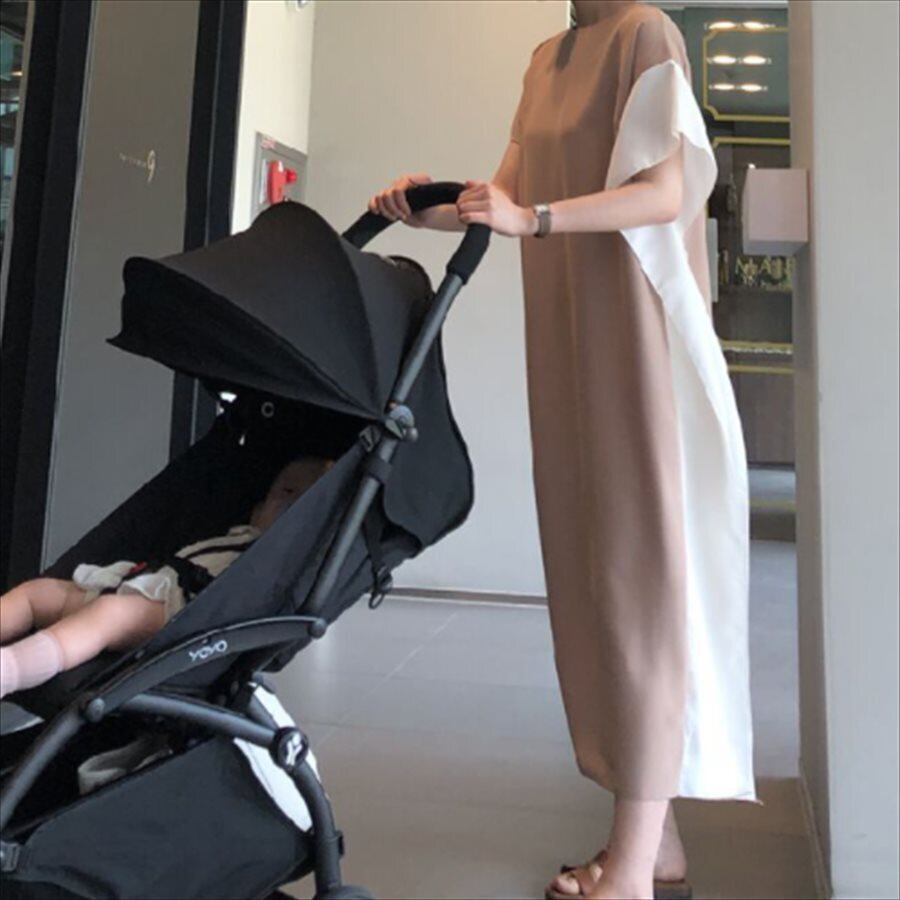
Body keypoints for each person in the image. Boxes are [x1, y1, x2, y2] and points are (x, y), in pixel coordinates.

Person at [369, 2, 755, 899]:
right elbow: (503, 194)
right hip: (571, 337)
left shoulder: (646, 31)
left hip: (639, 337)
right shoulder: (547, 59)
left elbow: (666, 192)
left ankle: (633, 869)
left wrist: (534, 217)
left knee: (639, 579)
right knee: (594, 579)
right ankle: (655, 841)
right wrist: (426, 210)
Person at [0, 456, 331, 699]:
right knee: (37, 592)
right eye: (287, 491)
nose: (292, 505)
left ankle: (9, 669)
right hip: (143, 582)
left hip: (181, 613)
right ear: (257, 511)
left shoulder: (278, 562)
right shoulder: (242, 532)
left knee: (110, 615)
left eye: (306, 503)